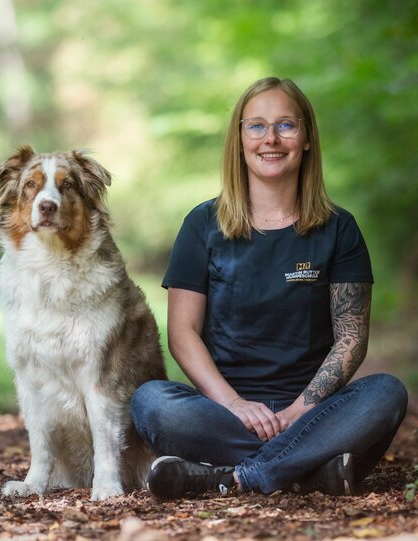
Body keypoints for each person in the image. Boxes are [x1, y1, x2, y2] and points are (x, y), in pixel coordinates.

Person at [131, 77, 408, 500]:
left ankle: (234, 476)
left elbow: (352, 337)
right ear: (239, 139)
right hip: (224, 412)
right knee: (151, 401)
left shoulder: (339, 229)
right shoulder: (203, 225)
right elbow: (183, 334)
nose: (271, 139)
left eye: (286, 125)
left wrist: (301, 411)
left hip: (316, 410)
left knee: (385, 393)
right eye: (256, 126)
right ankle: (312, 470)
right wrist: (235, 404)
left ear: (308, 138)